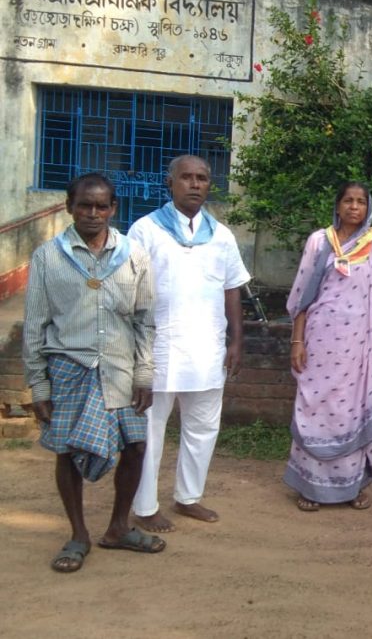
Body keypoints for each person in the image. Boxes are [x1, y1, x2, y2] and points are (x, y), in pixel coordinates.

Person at [23, 173, 164, 573]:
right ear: (69, 206)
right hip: (70, 370)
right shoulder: (48, 257)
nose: (93, 213)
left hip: (121, 370)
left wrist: (144, 374)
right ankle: (78, 535)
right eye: (84, 205)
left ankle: (118, 528)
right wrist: (38, 384)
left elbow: (145, 321)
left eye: (102, 206)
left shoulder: (134, 255)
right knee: (67, 452)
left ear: (113, 209)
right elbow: (34, 325)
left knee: (136, 448)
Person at [129, 155, 251, 532]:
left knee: (202, 427)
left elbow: (232, 290)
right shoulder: (145, 230)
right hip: (158, 348)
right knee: (150, 428)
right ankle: (145, 506)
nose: (195, 184)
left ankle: (188, 497)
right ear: (170, 183)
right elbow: (129, 292)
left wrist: (236, 340)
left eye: (202, 178)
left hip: (207, 348)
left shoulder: (222, 235)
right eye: (187, 178)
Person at [285, 181, 372, 511]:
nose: (354, 207)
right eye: (348, 200)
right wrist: (297, 340)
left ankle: (353, 485)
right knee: (316, 407)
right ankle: (310, 486)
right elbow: (303, 293)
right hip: (320, 344)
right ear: (337, 205)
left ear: (368, 207)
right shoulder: (319, 242)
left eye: (361, 201)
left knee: (354, 410)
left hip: (361, 348)